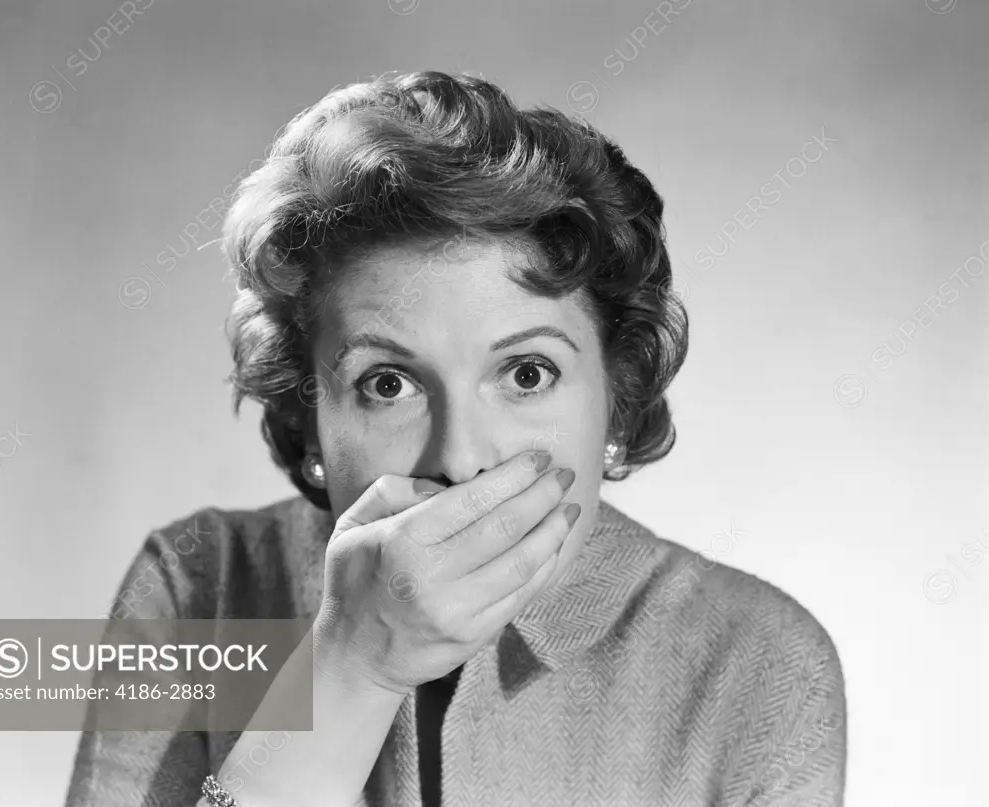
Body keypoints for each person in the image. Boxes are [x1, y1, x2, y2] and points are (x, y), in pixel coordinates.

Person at [64, 70, 846, 807]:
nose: (459, 459)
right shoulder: (194, 589)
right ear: (309, 420)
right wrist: (347, 671)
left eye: (528, 373)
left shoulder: (757, 656)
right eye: (388, 384)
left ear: (618, 397)